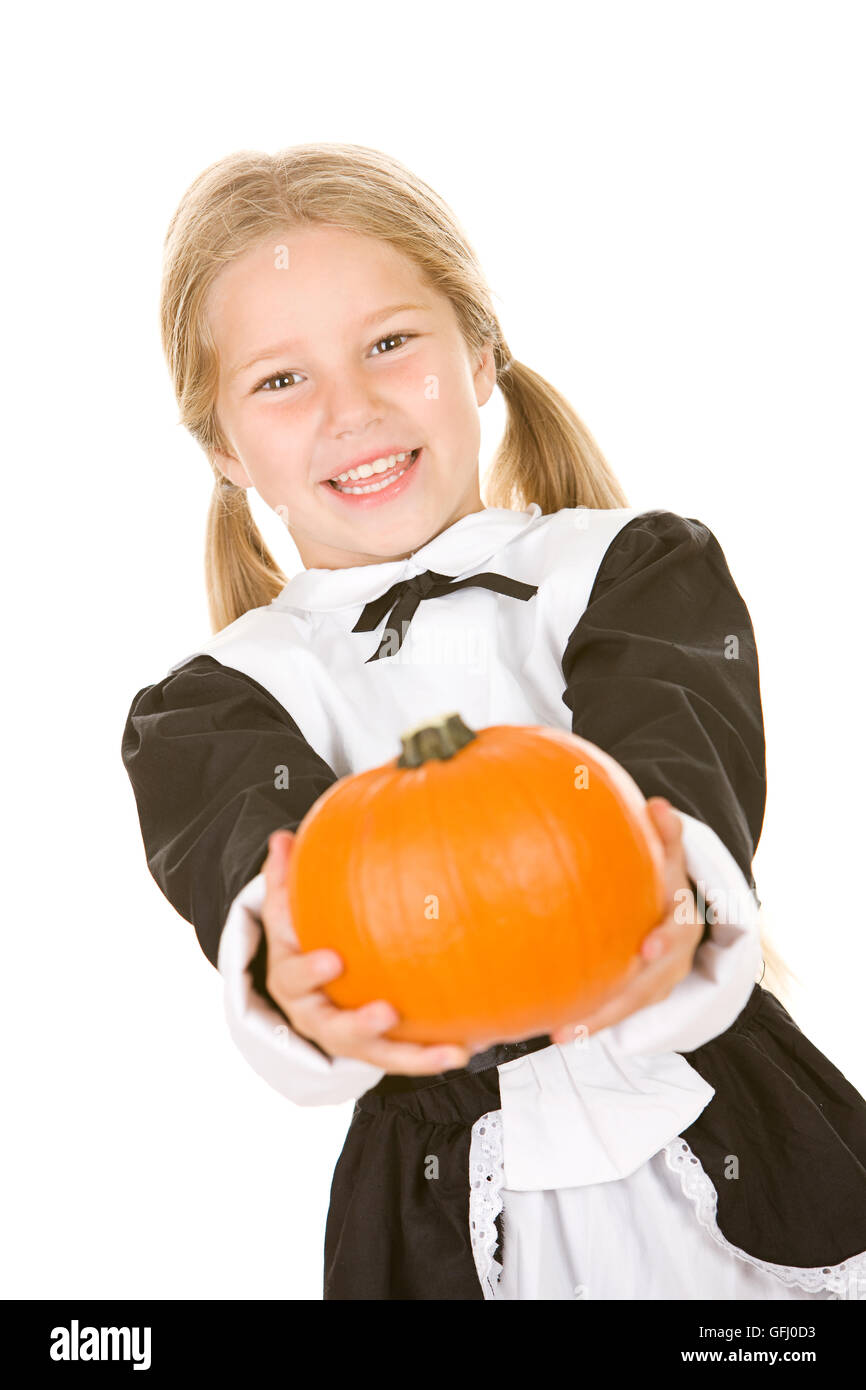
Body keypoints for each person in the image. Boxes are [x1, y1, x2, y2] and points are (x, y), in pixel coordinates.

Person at [121, 142, 866, 1300]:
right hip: (439, 1210)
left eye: (388, 343)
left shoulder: (625, 569)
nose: (350, 408)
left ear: (478, 352)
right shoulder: (214, 702)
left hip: (734, 1129)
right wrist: (296, 978)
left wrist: (663, 902)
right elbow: (248, 855)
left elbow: (673, 758)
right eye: (280, 379)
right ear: (223, 447)